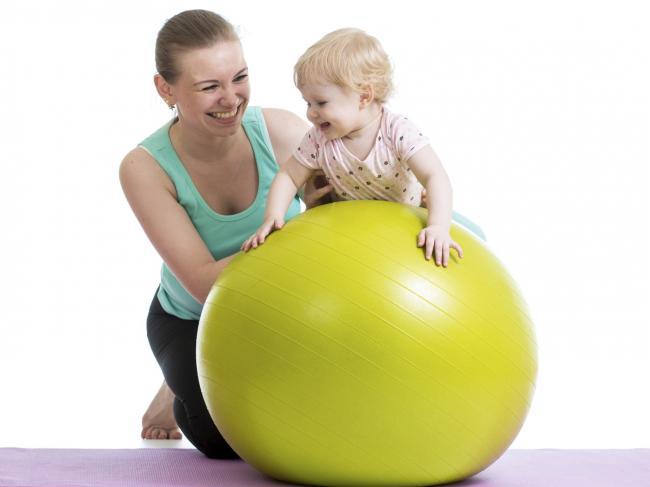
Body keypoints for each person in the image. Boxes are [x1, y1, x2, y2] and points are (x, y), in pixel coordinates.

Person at [119, 10, 332, 457]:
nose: (231, 98)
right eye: (209, 86)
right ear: (166, 89)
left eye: (239, 77)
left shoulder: (281, 132)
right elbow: (203, 283)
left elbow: (342, 217)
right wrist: (298, 237)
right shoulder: (144, 168)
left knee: (311, 413)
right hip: (193, 319)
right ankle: (175, 386)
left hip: (278, 309)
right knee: (225, 443)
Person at [242, 28, 463, 267]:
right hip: (351, 233)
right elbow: (289, 175)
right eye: (308, 103)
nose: (311, 113)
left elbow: (435, 176)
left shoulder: (397, 131)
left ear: (364, 96)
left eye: (321, 103)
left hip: (404, 228)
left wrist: (438, 226)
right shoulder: (318, 139)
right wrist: (273, 215)